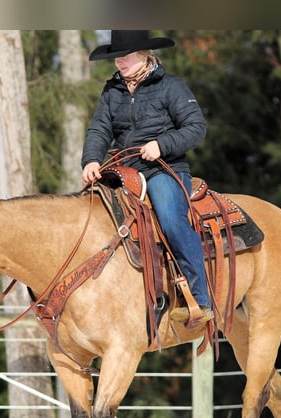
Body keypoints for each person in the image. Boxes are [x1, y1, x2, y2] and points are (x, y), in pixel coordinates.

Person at [81, 30, 213, 324]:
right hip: (122, 169)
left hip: (162, 169)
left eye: (125, 56)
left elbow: (195, 127)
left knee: (169, 219)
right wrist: (91, 160)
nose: (119, 62)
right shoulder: (111, 91)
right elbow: (99, 130)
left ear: (144, 56)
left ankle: (200, 298)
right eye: (117, 57)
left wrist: (161, 145)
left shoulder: (171, 87)